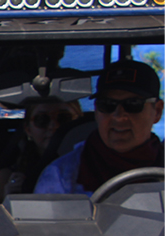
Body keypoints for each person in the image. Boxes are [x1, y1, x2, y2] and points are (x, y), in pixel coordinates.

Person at [35, 59, 164, 195]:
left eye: (133, 104)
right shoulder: (60, 175)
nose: (118, 116)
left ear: (157, 111)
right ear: (96, 111)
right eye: (107, 104)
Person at [0, 98, 82, 200]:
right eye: (41, 120)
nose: (53, 126)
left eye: (64, 118)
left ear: (79, 123)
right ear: (28, 129)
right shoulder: (4, 179)